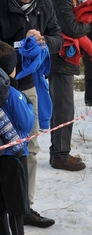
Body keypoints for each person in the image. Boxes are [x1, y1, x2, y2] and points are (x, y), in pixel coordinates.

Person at [0, 0, 62, 227]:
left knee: (30, 147)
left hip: (28, 86)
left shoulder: (45, 6)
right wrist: (14, 47)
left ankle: (25, 206)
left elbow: (59, 38)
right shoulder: (0, 4)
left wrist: (44, 40)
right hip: (2, 85)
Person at [46, 0, 87, 171]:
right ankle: (60, 155)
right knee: (64, 109)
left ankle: (58, 152)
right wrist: (87, 24)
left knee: (60, 108)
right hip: (61, 58)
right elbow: (71, 28)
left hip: (57, 57)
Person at [0, 41, 35, 235]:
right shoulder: (13, 94)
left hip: (1, 153)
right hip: (15, 156)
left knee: (1, 205)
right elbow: (26, 123)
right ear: (10, 69)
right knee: (16, 205)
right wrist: (29, 105)